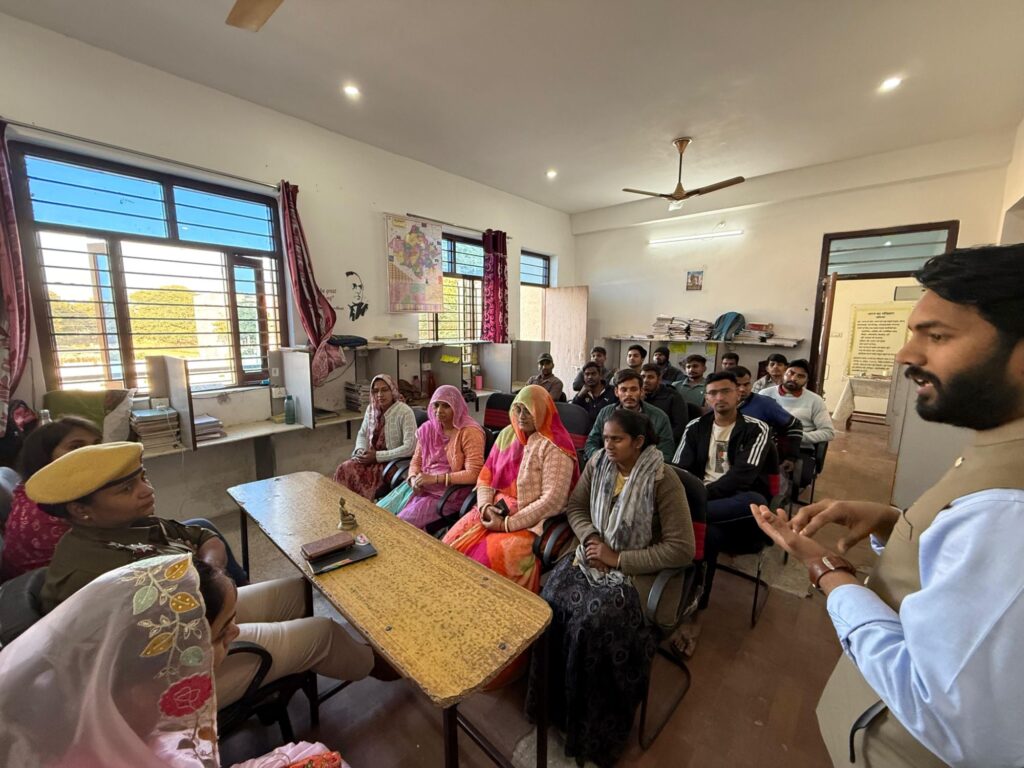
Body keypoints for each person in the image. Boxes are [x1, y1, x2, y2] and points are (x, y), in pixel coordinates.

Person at [751, 244, 1024, 768]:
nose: (905, 355)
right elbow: (961, 565)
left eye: (937, 336)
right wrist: (894, 523)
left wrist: (826, 570)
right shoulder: (997, 449)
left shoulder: (1010, 508)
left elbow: (951, 715)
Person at [28, 442, 395, 707]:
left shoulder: (129, 525)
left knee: (298, 592)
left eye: (143, 477)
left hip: (205, 612)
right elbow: (145, 659)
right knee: (322, 633)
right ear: (81, 510)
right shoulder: (91, 576)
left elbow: (204, 536)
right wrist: (215, 605)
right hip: (175, 673)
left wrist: (210, 576)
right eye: (127, 489)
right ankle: (375, 666)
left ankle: (320, 661)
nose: (147, 491)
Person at [0, 552, 349, 767]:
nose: (235, 632)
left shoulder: (110, 695)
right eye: (222, 632)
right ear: (172, 669)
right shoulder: (134, 720)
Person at [525, 409, 694, 768]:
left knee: (592, 623)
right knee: (550, 600)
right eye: (604, 438)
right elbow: (576, 506)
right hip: (592, 553)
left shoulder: (662, 480)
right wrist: (591, 539)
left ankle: (593, 732)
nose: (608, 446)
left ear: (639, 442)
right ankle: (554, 707)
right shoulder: (599, 463)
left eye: (617, 439)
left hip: (638, 572)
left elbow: (682, 548)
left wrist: (618, 559)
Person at [443, 385, 578, 592]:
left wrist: (506, 524)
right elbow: (486, 478)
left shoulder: (555, 445)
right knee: (449, 544)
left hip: (531, 520)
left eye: (528, 411)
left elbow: (552, 500)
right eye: (518, 409)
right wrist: (485, 507)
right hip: (495, 509)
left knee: (488, 560)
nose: (521, 416)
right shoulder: (507, 434)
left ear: (542, 411)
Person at [672, 371, 772, 609]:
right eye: (713, 393)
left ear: (738, 393)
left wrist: (698, 498)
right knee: (709, 535)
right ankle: (696, 601)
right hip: (707, 511)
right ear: (706, 398)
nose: (719, 397)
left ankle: (683, 517)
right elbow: (680, 470)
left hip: (738, 504)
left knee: (754, 500)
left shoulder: (756, 429)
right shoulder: (695, 426)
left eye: (726, 391)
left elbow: (742, 478)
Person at [0, 415, 101, 581]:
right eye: (76, 446)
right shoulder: (49, 510)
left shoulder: (34, 487)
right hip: (54, 588)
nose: (94, 452)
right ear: (45, 456)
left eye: (97, 444)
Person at [393, 384, 485, 530]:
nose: (439, 411)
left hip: (450, 494)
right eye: (436, 405)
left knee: (400, 525)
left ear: (456, 407)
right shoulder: (428, 428)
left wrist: (436, 479)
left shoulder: (469, 432)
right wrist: (412, 478)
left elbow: (474, 474)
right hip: (422, 486)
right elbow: (416, 460)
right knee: (382, 512)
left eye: (446, 406)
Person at [334, 374, 417, 498]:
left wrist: (377, 456)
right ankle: (341, 506)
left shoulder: (404, 412)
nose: (380, 395)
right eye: (376, 391)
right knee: (344, 468)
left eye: (384, 390)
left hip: (391, 463)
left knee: (361, 480)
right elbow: (362, 434)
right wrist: (360, 450)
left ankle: (362, 509)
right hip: (371, 458)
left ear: (392, 390)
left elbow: (410, 447)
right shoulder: (371, 409)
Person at [757, 358, 834, 487]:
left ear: (807, 380)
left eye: (800, 376)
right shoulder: (765, 394)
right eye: (791, 373)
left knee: (801, 477)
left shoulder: (815, 400)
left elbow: (828, 432)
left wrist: (798, 437)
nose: (793, 378)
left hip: (800, 449)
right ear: (784, 373)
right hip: (767, 446)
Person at [584, 369, 676, 463]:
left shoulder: (659, 417)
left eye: (633, 389)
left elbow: (666, 453)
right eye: (623, 390)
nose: (628, 394)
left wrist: (639, 466)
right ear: (616, 392)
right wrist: (602, 460)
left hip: (646, 467)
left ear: (641, 391)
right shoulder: (606, 412)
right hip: (608, 463)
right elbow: (591, 442)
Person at [733, 365, 803, 470]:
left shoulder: (765, 404)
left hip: (758, 459)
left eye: (746, 384)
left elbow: (795, 425)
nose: (742, 389)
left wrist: (791, 457)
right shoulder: (719, 405)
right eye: (737, 385)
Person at [640, 362, 689, 443]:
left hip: (662, 441)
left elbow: (680, 427)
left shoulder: (673, 396)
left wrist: (660, 442)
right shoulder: (636, 396)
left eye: (650, 377)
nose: (645, 380)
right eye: (642, 377)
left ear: (659, 379)